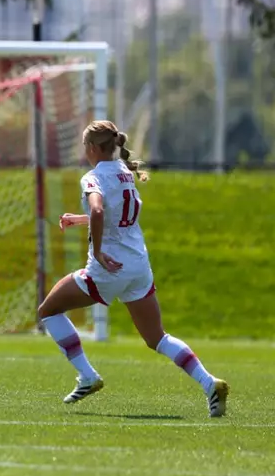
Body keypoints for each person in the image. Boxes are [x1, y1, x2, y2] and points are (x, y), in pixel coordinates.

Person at [37, 119, 229, 417]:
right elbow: (114, 215)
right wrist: (80, 218)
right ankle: (209, 383)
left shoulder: (92, 178)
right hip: (138, 266)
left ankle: (87, 376)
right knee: (158, 338)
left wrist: (98, 252)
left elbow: (100, 209)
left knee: (48, 311)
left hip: (108, 269)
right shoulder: (126, 173)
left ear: (90, 148)